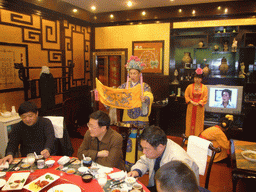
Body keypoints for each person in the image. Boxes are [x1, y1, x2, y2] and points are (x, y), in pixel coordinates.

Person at [127, 125, 199, 192]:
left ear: (160, 147)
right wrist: (137, 171)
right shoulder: (158, 146)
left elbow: (178, 188)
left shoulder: (178, 161)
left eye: (146, 149)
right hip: (159, 186)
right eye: (142, 148)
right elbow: (144, 161)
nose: (144, 152)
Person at [118, 55, 154, 168]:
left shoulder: (144, 86)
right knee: (129, 138)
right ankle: (128, 162)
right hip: (128, 118)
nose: (132, 75)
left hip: (141, 119)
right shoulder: (124, 86)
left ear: (139, 74)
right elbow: (116, 94)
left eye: (135, 73)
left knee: (141, 140)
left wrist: (146, 99)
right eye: (131, 73)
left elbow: (149, 95)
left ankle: (141, 163)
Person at [185, 68, 208, 136]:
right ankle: (188, 138)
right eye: (195, 78)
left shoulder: (204, 87)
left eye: (198, 78)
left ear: (201, 79)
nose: (197, 79)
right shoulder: (189, 87)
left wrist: (199, 102)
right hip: (191, 106)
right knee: (189, 122)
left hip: (199, 108)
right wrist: (191, 102)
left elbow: (205, 97)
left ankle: (197, 139)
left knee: (199, 123)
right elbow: (186, 96)